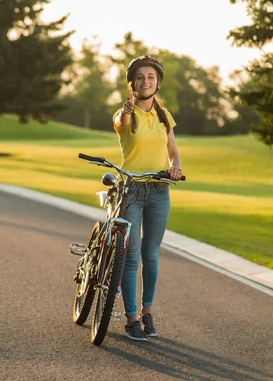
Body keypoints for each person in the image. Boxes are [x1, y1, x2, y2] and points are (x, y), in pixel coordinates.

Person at [112, 54, 182, 341]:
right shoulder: (126, 113)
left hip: (159, 191)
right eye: (140, 77)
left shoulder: (164, 116)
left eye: (151, 77)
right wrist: (127, 110)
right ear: (132, 83)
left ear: (158, 83)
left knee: (151, 256)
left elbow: (173, 152)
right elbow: (120, 120)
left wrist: (176, 167)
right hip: (131, 190)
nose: (145, 81)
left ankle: (147, 312)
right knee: (131, 256)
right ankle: (131, 319)